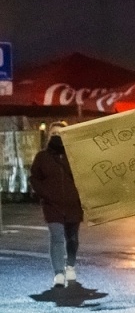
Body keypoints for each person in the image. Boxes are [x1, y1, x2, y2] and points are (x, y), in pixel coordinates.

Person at [30, 121, 84, 287]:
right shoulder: (42, 157)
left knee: (72, 239)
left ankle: (70, 266)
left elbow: (85, 178)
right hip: (52, 207)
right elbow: (34, 178)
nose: (57, 137)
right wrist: (46, 195)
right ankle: (59, 273)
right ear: (49, 136)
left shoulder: (75, 156)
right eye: (54, 134)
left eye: (60, 134)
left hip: (73, 206)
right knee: (57, 237)